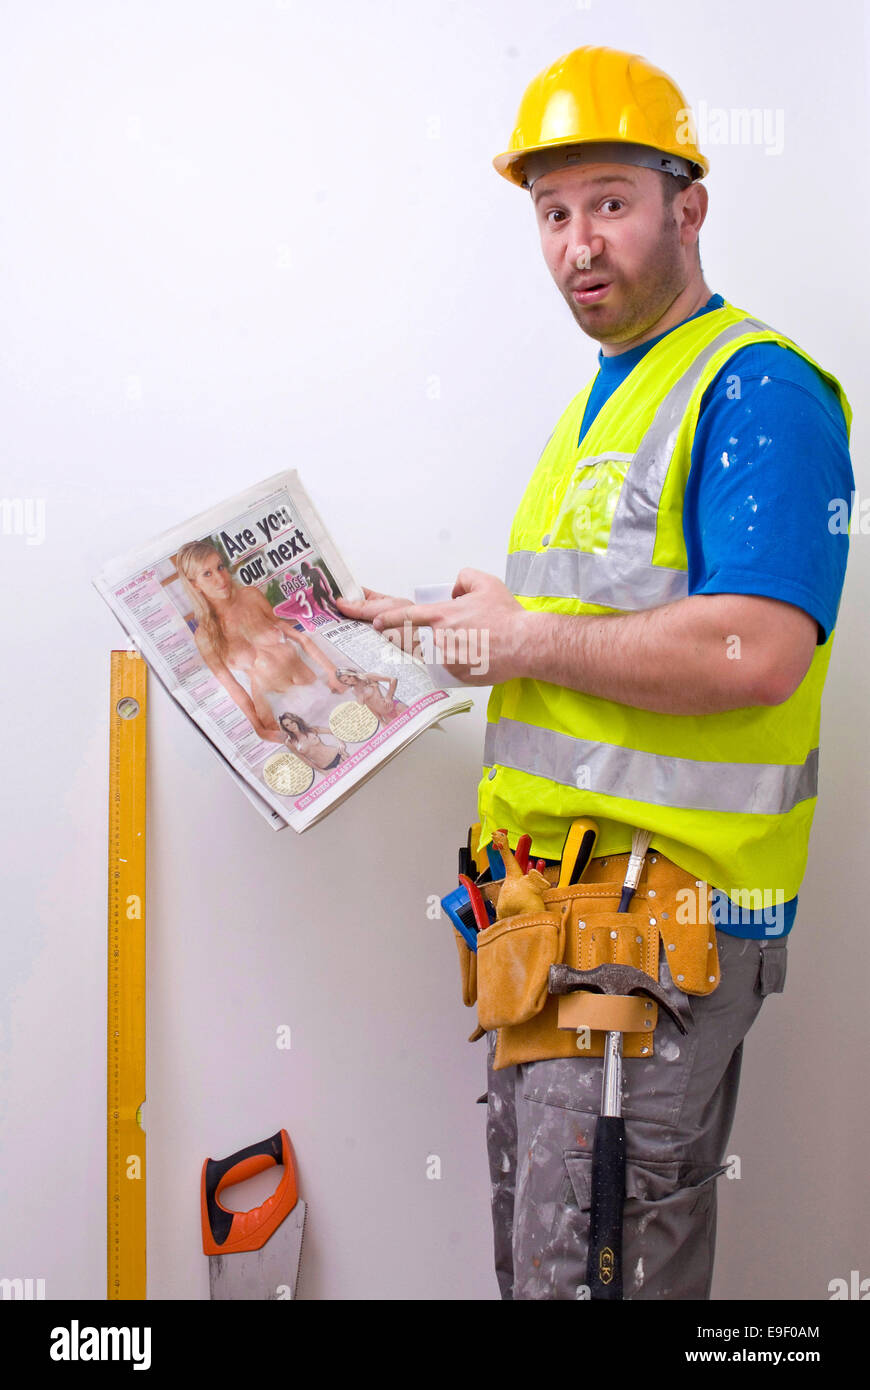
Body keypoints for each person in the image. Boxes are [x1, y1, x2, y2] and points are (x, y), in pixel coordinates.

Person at [336, 44, 853, 1300]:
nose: (579, 244)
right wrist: (472, 629)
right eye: (552, 213)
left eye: (610, 202)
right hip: (554, 940)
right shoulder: (598, 407)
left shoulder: (759, 390)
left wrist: (529, 639)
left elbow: (761, 649)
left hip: (649, 950)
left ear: (691, 204)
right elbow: (594, 642)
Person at [175, 539, 347, 742]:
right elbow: (233, 688)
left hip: (315, 686)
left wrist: (330, 671)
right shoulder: (206, 636)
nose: (220, 578)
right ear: (195, 584)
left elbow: (299, 637)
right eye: (207, 573)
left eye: (220, 567)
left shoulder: (250, 596)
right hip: (280, 712)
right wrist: (259, 729)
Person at [334, 668, 408, 725]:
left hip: (395, 707)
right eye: (346, 681)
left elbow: (393, 679)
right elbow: (369, 705)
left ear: (352, 673)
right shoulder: (354, 690)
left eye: (349, 676)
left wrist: (388, 697)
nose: (350, 680)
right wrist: (381, 721)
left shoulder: (367, 676)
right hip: (386, 716)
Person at [278, 713, 348, 772]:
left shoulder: (310, 730)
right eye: (287, 725)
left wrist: (341, 744)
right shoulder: (290, 742)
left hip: (339, 756)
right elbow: (304, 760)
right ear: (285, 728)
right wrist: (323, 772)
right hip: (326, 767)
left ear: (296, 721)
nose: (291, 726)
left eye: (292, 722)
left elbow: (332, 731)